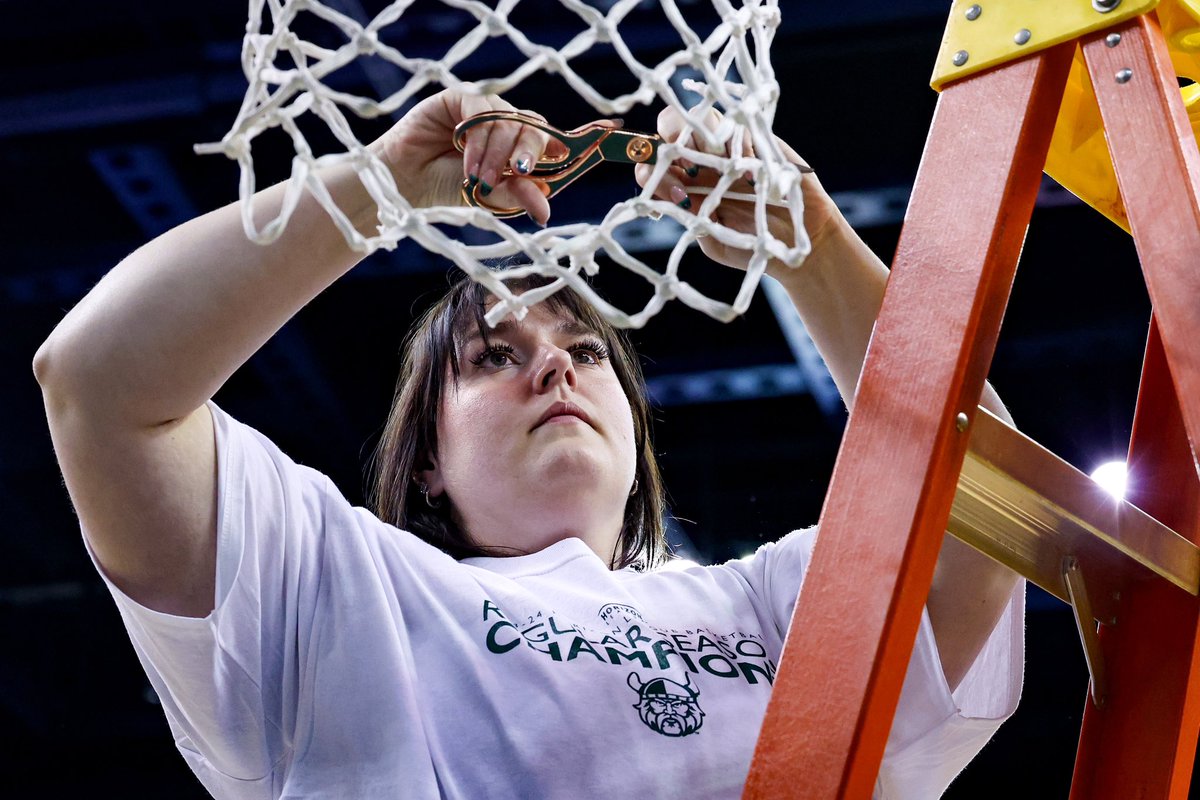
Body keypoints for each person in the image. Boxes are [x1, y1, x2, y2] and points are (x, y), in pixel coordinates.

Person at [33, 89, 1023, 798]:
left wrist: (806, 237)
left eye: (587, 350)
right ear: (424, 453)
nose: (554, 367)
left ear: (638, 429)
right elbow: (98, 383)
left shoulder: (763, 604)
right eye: (494, 354)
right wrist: (374, 187)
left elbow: (992, 519)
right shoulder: (343, 590)